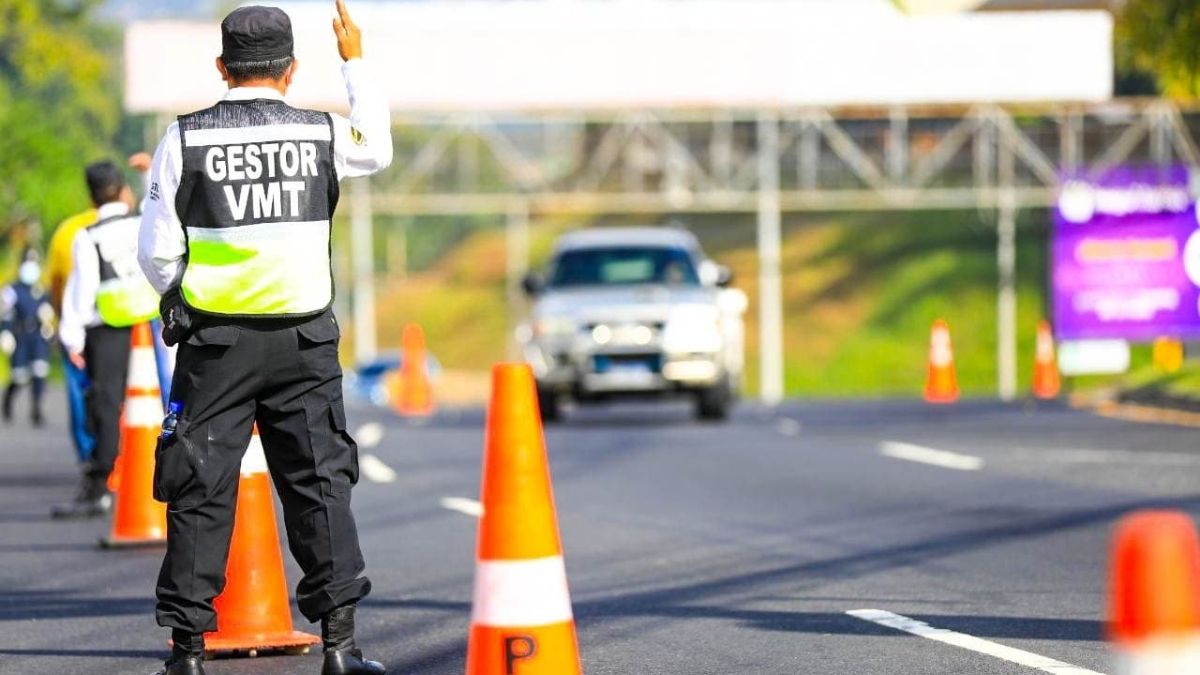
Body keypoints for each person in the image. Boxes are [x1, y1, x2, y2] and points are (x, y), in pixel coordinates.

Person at [137, 3, 392, 674]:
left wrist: (181, 294)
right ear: (291, 69)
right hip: (304, 340)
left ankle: (187, 652)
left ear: (221, 68)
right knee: (318, 482)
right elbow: (376, 145)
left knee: (200, 485)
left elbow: (158, 251)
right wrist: (356, 61)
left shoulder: (184, 138)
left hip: (215, 345)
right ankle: (341, 647)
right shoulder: (321, 133)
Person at [53, 161, 161, 519]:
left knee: (105, 405)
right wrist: (149, 173)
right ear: (122, 190)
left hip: (108, 325)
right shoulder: (139, 221)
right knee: (165, 400)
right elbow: (158, 201)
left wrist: (72, 339)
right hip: (150, 322)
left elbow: (80, 293)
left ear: (91, 196)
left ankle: (99, 483)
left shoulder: (88, 235)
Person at [45, 206, 99, 461]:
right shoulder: (127, 225)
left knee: (79, 391)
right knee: (113, 392)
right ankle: (113, 453)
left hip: (74, 323)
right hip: (114, 324)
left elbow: (55, 282)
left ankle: (88, 454)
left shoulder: (67, 230)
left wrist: (60, 319)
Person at [1, 250, 54, 427]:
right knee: (20, 376)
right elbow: (6, 313)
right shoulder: (12, 290)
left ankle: (36, 410)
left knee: (40, 371)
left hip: (38, 336)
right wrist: (6, 332)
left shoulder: (40, 289)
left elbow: (48, 311)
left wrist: (48, 324)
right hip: (20, 335)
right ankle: (8, 401)